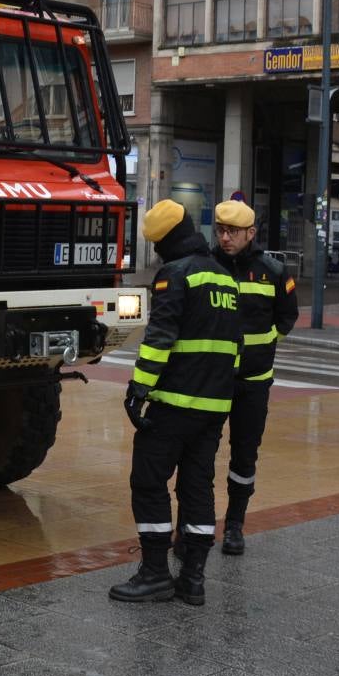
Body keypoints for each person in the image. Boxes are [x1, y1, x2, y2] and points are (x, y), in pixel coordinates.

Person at [110, 198, 242, 606]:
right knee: (197, 487)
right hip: (214, 408)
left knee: (149, 482)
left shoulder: (175, 274)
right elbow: (235, 348)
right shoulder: (225, 278)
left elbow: (160, 339)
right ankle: (193, 580)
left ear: (165, 242)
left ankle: (154, 574)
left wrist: (138, 389)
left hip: (173, 405)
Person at [211, 200, 299, 556]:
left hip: (253, 381)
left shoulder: (274, 271)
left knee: (244, 456)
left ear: (251, 233)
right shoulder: (206, 265)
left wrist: (260, 348)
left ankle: (234, 526)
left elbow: (286, 318)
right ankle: (193, 528)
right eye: (220, 230)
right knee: (199, 455)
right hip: (211, 381)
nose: (225, 237)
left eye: (233, 231)